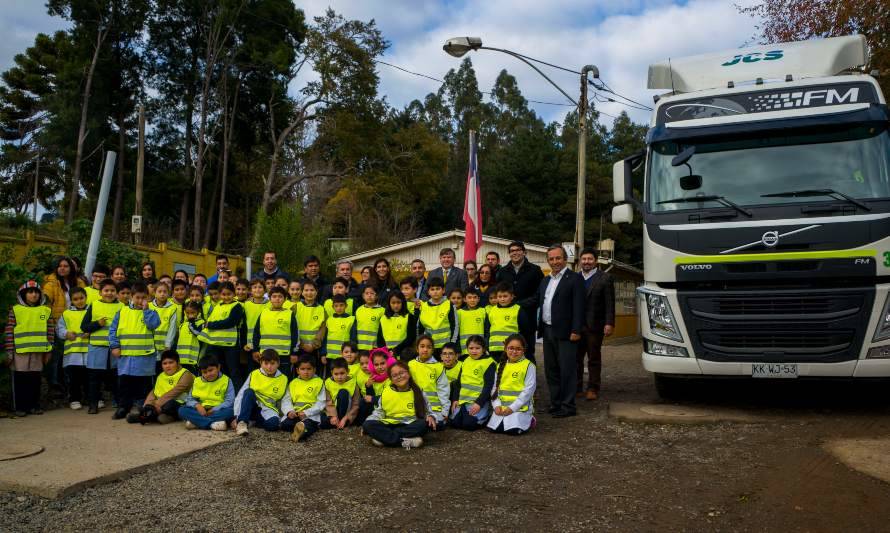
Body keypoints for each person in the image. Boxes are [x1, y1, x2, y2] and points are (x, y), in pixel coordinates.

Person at [531, 245, 585, 418]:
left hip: (567, 333)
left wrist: (576, 329)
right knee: (551, 369)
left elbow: (579, 307)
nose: (555, 262)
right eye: (551, 259)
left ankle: (568, 406)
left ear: (565, 259)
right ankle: (556, 403)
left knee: (567, 370)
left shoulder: (575, 279)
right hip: (547, 331)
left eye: (558, 258)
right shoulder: (545, 280)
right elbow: (538, 301)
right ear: (548, 261)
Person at [109, 282, 160, 420]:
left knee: (142, 384)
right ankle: (123, 407)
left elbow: (154, 324)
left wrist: (146, 311)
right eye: (137, 297)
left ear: (148, 298)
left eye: (143, 298)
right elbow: (113, 330)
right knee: (125, 383)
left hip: (144, 356)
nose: (140, 301)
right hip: (125, 356)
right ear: (131, 297)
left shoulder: (151, 312)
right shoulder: (122, 312)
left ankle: (139, 406)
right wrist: (114, 346)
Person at [5, 281, 54, 416]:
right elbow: (9, 331)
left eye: (36, 292)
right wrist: (9, 351)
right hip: (20, 352)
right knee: (21, 380)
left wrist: (49, 349)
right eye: (30, 292)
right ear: (23, 294)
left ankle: (34, 406)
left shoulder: (45, 310)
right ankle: (21, 407)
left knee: (35, 379)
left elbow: (50, 331)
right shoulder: (15, 310)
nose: (34, 295)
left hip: (39, 351)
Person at [362, 361, 434, 449]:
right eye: (395, 375)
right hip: (390, 424)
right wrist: (368, 423)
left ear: (409, 374)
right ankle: (405, 441)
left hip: (409, 425)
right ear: (391, 379)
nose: (399, 377)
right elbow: (379, 412)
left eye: (401, 373)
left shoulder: (418, 391)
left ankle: (385, 439)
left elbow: (428, 410)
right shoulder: (386, 392)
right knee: (367, 424)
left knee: (424, 424)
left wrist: (431, 416)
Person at [43, 256, 85, 396]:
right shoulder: (51, 283)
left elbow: (86, 299)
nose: (62, 268)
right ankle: (55, 386)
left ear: (71, 268)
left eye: (66, 266)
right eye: (60, 265)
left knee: (72, 356)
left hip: (77, 324)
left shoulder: (78, 282)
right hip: (57, 323)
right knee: (56, 357)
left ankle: (71, 386)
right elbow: (46, 301)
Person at [578, 248, 615, 401]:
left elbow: (609, 303)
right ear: (580, 261)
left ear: (595, 261)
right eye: (584, 259)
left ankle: (593, 388)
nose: (586, 262)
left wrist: (609, 323)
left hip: (595, 325)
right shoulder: (574, 277)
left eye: (589, 259)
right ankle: (576, 387)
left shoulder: (605, 278)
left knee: (594, 358)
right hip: (576, 325)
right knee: (575, 359)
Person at [497, 241, 544, 362]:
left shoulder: (535, 270)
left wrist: (519, 305)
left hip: (528, 317)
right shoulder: (503, 271)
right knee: (508, 352)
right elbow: (498, 294)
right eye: (512, 251)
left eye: (518, 250)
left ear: (524, 252)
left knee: (527, 351)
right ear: (509, 254)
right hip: (506, 322)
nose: (515, 253)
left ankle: (530, 379)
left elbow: (539, 295)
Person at [81, 279, 123, 414]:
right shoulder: (94, 305)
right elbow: (84, 327)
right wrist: (97, 324)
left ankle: (120, 404)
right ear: (100, 293)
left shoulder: (122, 307)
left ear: (116, 293)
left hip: (115, 349)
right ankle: (93, 405)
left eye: (112, 290)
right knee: (94, 379)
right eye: (106, 290)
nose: (109, 293)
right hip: (97, 348)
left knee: (117, 378)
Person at [487, 334, 537, 435]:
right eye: (511, 348)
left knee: (512, 431)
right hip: (502, 407)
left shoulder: (529, 366)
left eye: (518, 349)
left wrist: (512, 408)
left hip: (519, 408)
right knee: (495, 429)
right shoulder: (500, 365)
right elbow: (494, 388)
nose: (514, 352)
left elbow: (528, 391)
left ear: (523, 350)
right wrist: (496, 406)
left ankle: (530, 419)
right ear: (505, 349)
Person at [200, 281, 246, 390]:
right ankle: (218, 393)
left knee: (233, 372)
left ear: (234, 294)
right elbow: (210, 321)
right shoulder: (218, 306)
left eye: (229, 294)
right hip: (214, 344)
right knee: (215, 371)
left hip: (230, 345)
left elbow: (230, 322)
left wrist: (210, 325)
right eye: (223, 294)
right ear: (220, 294)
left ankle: (238, 397)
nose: (226, 297)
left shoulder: (237, 306)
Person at [233, 349, 288, 435]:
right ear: (261, 363)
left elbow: (285, 400)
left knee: (273, 425)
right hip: (252, 406)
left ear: (278, 363)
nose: (269, 367)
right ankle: (242, 423)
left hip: (268, 409)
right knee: (248, 392)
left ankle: (253, 422)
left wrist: (283, 417)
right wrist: (236, 415)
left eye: (272, 363)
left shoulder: (283, 379)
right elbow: (241, 394)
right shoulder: (254, 374)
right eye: (266, 363)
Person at [132, 350, 194, 424]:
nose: (167, 366)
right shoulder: (161, 376)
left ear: (178, 363)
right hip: (162, 404)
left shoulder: (186, 374)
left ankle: (147, 416)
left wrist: (155, 405)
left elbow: (174, 392)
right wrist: (146, 405)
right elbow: (154, 392)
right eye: (164, 363)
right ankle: (149, 415)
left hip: (182, 404)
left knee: (169, 404)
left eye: (171, 362)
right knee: (143, 404)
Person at [450, 335, 495, 431]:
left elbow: (488, 387)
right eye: (471, 348)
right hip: (463, 401)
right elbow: (458, 383)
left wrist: (479, 403)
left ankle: (486, 415)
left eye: (477, 348)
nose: (474, 351)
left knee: (469, 425)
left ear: (483, 349)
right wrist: (455, 399)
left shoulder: (489, 363)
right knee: (454, 423)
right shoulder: (466, 360)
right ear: (467, 349)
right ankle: (462, 412)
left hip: (477, 402)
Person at [178, 355, 235, 430]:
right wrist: (197, 405)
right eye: (204, 372)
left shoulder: (227, 380)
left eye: (211, 370)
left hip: (218, 410)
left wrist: (214, 409)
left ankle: (197, 422)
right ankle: (212, 424)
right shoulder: (197, 381)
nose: (208, 374)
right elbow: (189, 399)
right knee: (182, 410)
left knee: (231, 411)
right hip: (201, 410)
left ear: (218, 367)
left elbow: (230, 401)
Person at [252, 287, 298, 377]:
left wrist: (294, 353)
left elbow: (295, 335)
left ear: (285, 299)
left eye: (280, 296)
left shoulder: (289, 314)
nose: (277, 299)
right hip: (265, 354)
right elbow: (256, 333)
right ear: (269, 298)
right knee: (266, 378)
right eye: (274, 296)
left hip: (284, 355)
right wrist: (255, 350)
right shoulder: (263, 313)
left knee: (284, 378)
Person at [280, 355, 326, 442]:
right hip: (296, 414)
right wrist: (289, 411)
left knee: (309, 425)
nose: (306, 372)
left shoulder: (319, 382)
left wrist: (307, 412)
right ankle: (299, 428)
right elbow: (286, 400)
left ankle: (301, 431)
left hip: (310, 415)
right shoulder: (293, 383)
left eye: (309, 369)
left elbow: (321, 403)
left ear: (314, 369)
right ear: (297, 370)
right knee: (285, 425)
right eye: (303, 369)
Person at [407, 335, 450, 429]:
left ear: (432, 350)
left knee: (437, 426)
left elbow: (444, 391)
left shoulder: (438, 367)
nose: (425, 349)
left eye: (429, 347)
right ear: (417, 349)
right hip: (415, 407)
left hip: (434, 409)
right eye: (422, 346)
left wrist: (445, 412)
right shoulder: (411, 364)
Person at [57, 287, 89, 410]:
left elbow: (97, 326)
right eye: (76, 299)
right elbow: (59, 328)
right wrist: (66, 333)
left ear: (86, 297)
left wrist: (90, 332)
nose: (79, 301)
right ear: (71, 301)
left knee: (89, 377)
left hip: (88, 352)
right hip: (73, 354)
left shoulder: (91, 311)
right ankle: (74, 399)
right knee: (74, 379)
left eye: (81, 298)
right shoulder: (66, 314)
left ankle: (92, 397)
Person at [487, 282, 526, 363]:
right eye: (499, 296)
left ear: (512, 296)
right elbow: (488, 329)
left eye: (505, 296)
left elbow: (525, 330)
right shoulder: (492, 310)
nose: (502, 299)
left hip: (511, 350)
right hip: (494, 349)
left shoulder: (518, 310)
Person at [417, 277, 457, 351]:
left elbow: (455, 326)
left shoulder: (449, 304)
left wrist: (452, 343)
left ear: (443, 290)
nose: (435, 292)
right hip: (428, 346)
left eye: (438, 289)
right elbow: (420, 328)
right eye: (432, 289)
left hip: (446, 346)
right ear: (428, 292)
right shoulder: (423, 306)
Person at [295, 280, 326, 371]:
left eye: (312, 290)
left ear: (316, 292)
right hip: (299, 348)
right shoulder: (295, 307)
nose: (309, 293)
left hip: (315, 350)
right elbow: (292, 329)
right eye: (306, 290)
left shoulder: (321, 309)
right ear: (302, 292)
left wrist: (314, 345)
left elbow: (322, 330)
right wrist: (302, 345)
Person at [323, 358, 359, 430]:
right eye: (336, 374)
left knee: (343, 392)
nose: (339, 377)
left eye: (342, 373)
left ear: (348, 371)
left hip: (348, 413)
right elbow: (328, 402)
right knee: (322, 422)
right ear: (331, 373)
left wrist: (346, 418)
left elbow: (356, 404)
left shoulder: (353, 383)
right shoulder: (327, 383)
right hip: (333, 412)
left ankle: (343, 422)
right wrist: (333, 416)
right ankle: (336, 422)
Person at [378, 290, 416, 359]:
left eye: (398, 302)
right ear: (389, 303)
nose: (396, 305)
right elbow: (380, 340)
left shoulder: (409, 317)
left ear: (403, 303)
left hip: (404, 355)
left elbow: (411, 337)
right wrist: (387, 352)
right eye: (393, 303)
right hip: (387, 356)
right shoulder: (383, 318)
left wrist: (396, 350)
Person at [324, 295, 355, 371]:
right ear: (332, 307)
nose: (339, 308)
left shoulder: (351, 319)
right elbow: (325, 338)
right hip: (330, 356)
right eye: (336, 306)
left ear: (346, 306)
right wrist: (323, 354)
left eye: (341, 305)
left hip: (345, 356)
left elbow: (353, 338)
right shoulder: (329, 320)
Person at [149, 282, 178, 359]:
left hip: (164, 347)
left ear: (168, 294)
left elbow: (172, 328)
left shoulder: (172, 308)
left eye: (165, 292)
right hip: (150, 345)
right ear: (155, 293)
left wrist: (168, 344)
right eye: (159, 291)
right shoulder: (149, 306)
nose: (162, 294)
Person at [176, 301, 204, 375]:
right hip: (181, 360)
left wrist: (191, 322)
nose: (190, 315)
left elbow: (197, 334)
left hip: (194, 360)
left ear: (198, 312)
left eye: (193, 312)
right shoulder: (182, 325)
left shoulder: (202, 323)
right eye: (187, 313)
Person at [457, 288, 486, 359]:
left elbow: (487, 331)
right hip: (464, 351)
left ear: (478, 299)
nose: (472, 300)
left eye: (475, 297)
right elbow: (456, 333)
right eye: (469, 297)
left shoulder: (483, 311)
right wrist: (457, 349)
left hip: (480, 349)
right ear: (464, 299)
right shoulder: (459, 313)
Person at [354, 285, 384, 351]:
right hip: (360, 347)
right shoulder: (359, 310)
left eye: (372, 293)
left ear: (377, 296)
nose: (369, 295)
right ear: (363, 296)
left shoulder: (382, 311)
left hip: (375, 347)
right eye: (367, 293)